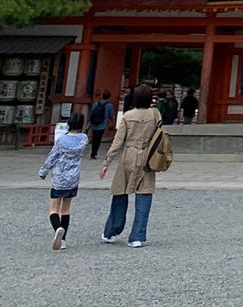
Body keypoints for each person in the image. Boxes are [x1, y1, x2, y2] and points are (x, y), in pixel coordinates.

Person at [99, 84, 163, 247]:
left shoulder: (128, 116)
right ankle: (137, 236)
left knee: (120, 192)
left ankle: (111, 231)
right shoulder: (155, 114)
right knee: (144, 194)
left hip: (128, 155)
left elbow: (118, 141)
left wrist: (106, 162)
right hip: (147, 156)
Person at [39, 112, 89, 249]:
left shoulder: (61, 140)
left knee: (53, 209)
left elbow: (52, 157)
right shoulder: (84, 139)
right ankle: (63, 240)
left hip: (59, 177)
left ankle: (57, 230)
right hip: (73, 177)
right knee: (66, 209)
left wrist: (43, 171)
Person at [87, 91, 115, 159]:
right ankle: (94, 153)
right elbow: (111, 116)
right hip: (102, 124)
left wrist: (89, 123)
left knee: (94, 138)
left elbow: (91, 114)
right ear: (109, 97)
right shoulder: (109, 105)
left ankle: (93, 152)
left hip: (94, 124)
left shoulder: (96, 104)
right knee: (98, 139)